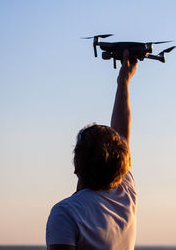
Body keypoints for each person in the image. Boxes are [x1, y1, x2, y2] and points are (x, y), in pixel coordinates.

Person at [46, 50, 138, 250]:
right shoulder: (125, 194)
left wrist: (123, 80)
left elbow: (122, 136)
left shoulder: (66, 214)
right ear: (121, 165)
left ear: (77, 167)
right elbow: (123, 134)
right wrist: (124, 81)